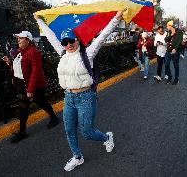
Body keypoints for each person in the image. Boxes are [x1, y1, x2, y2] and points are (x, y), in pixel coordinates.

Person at [34, 9, 126, 172]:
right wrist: (39, 21)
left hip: (86, 97)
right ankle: (77, 157)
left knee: (87, 132)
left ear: (77, 40)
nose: (68, 44)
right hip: (68, 97)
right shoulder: (62, 53)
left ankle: (107, 137)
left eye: (71, 40)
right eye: (65, 42)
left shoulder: (87, 53)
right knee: (69, 130)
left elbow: (103, 35)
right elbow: (50, 36)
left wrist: (116, 19)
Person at [2, 31, 59, 143]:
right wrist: (9, 63)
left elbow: (36, 72)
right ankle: (22, 132)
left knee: (41, 102)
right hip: (22, 84)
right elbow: (19, 69)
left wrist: (30, 89)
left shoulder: (34, 52)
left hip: (34, 85)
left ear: (28, 40)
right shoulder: (19, 52)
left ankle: (54, 117)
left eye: (20, 38)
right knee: (23, 107)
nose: (18, 40)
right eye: (17, 38)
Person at [164, 20, 183, 85]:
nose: (167, 27)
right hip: (168, 51)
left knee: (176, 66)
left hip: (175, 52)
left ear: (171, 26)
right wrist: (171, 35)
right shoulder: (168, 32)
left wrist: (175, 49)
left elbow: (179, 41)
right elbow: (166, 39)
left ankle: (176, 79)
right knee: (166, 64)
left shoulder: (179, 32)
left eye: (167, 26)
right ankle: (170, 77)